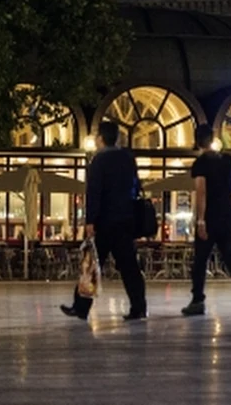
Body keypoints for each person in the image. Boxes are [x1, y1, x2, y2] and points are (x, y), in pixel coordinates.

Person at [60, 121, 147, 321]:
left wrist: (90, 221)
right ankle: (139, 306)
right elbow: (136, 185)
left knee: (90, 265)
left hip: (104, 222)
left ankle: (81, 307)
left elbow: (94, 192)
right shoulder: (127, 158)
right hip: (125, 220)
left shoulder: (99, 161)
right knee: (129, 267)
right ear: (117, 137)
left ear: (100, 138)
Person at [181, 124, 231, 317]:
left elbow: (201, 192)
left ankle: (198, 300)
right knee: (229, 257)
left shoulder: (201, 164)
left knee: (200, 261)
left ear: (197, 141)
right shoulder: (227, 160)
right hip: (227, 218)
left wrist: (201, 221)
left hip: (210, 219)